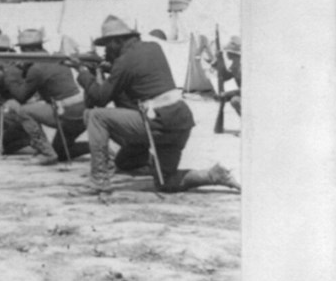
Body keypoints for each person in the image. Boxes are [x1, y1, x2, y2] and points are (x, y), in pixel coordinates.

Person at [77, 16, 240, 195]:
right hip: (179, 121)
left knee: (96, 116)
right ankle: (212, 175)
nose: (106, 49)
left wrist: (84, 73)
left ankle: (99, 181)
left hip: (158, 123)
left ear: (118, 40)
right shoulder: (153, 48)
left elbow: (99, 99)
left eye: (108, 44)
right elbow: (140, 74)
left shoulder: (124, 62)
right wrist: (109, 67)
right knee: (166, 183)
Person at [3, 29, 89, 165]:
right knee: (61, 153)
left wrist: (10, 74)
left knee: (24, 110)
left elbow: (21, 96)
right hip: (81, 111)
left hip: (66, 114)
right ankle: (96, 148)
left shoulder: (37, 68)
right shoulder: (55, 59)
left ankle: (45, 152)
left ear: (27, 50)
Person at [210, 35, 242, 117]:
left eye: (228, 51)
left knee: (235, 101)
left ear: (233, 53)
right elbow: (225, 76)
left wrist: (227, 94)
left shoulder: (241, 67)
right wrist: (220, 59)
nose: (226, 53)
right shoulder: (236, 64)